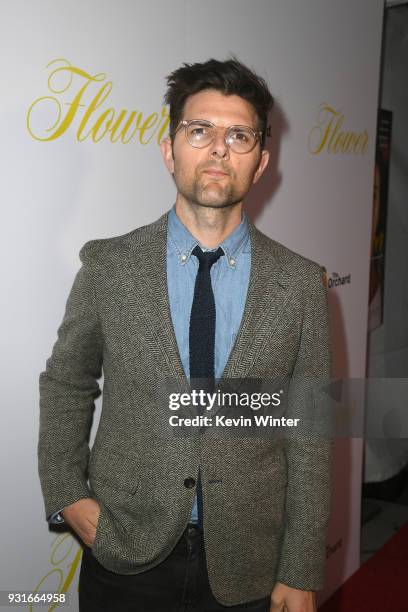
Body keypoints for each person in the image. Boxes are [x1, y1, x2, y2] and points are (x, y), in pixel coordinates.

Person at [38, 57, 333, 612]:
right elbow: (67, 382)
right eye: (200, 130)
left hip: (250, 564)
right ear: (170, 149)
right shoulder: (108, 266)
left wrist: (300, 566)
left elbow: (309, 432)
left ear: (262, 162)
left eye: (239, 135)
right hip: (124, 552)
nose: (219, 148)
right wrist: (68, 495)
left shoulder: (300, 283)